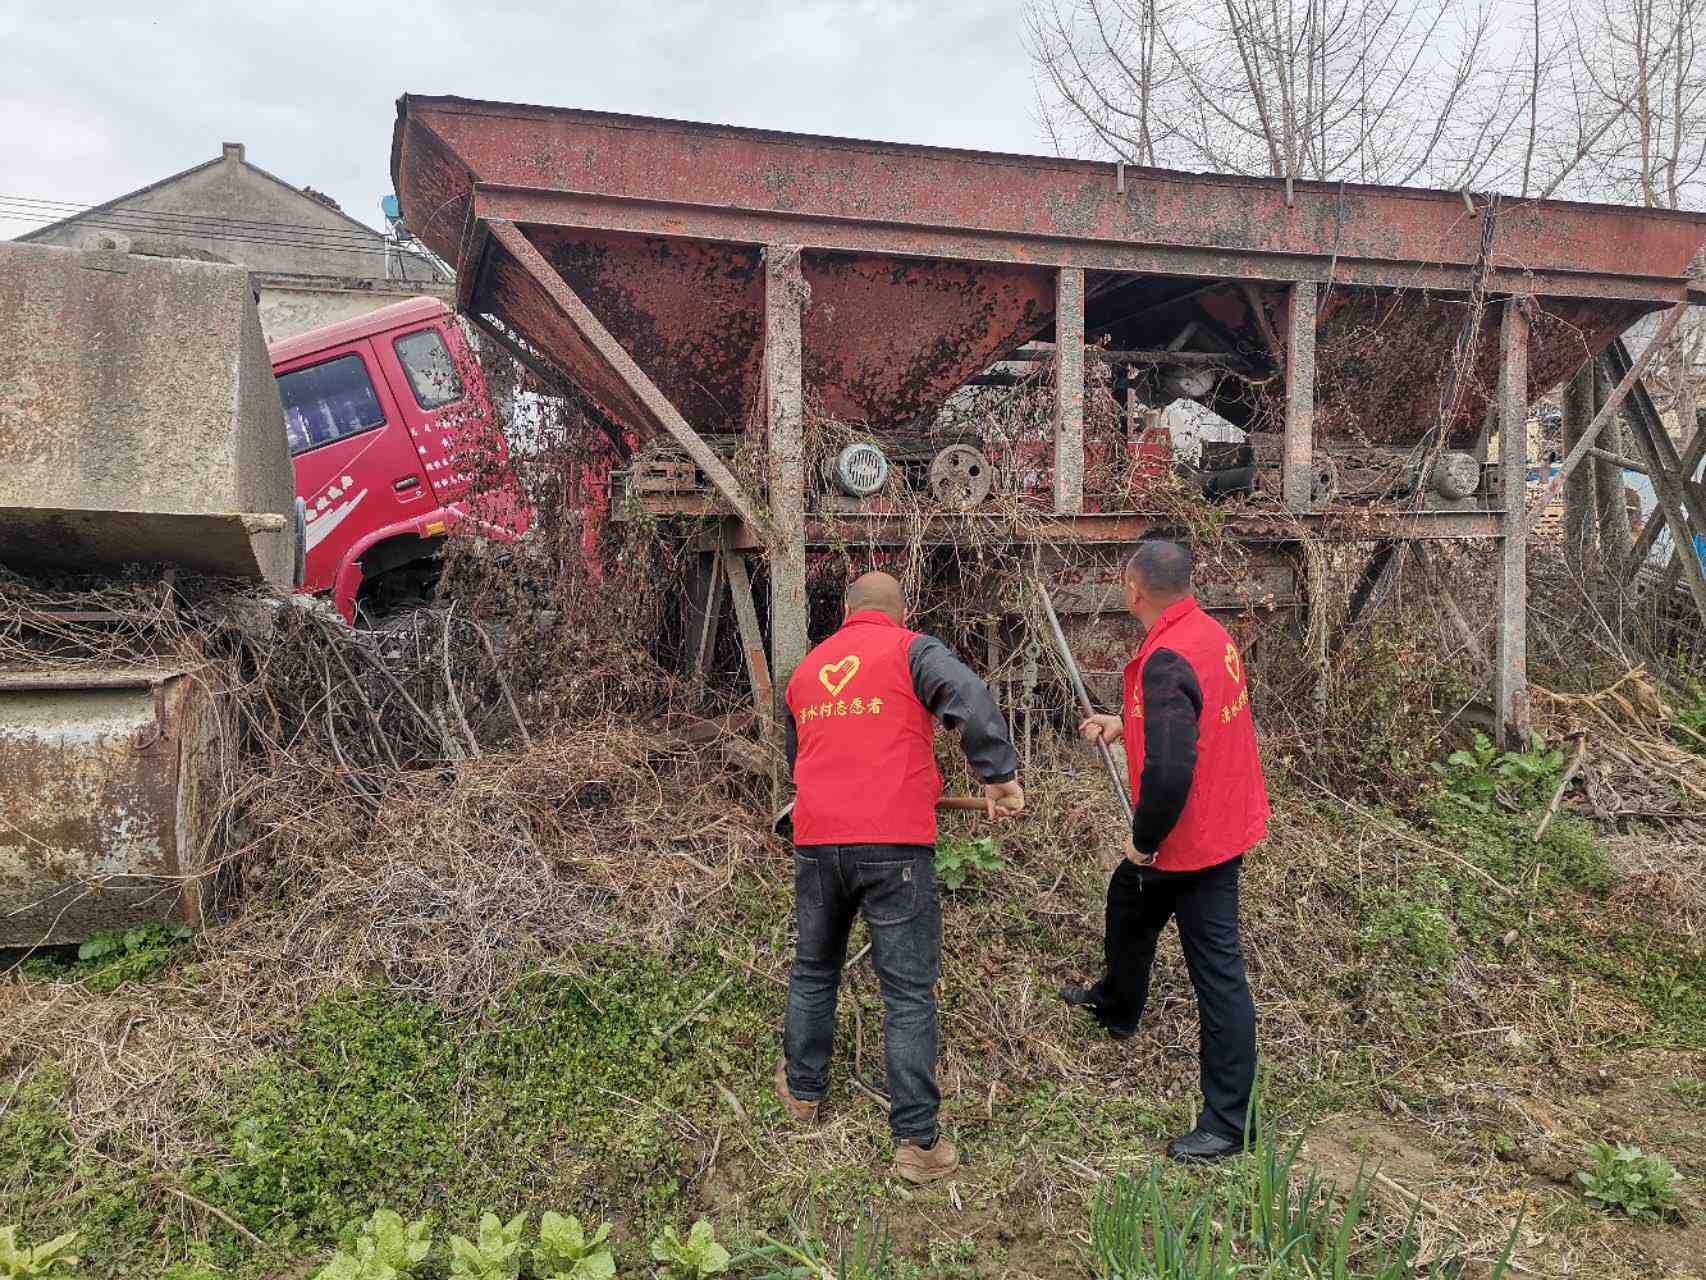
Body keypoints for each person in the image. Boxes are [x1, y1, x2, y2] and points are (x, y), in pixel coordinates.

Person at [777, 570, 1023, 1183]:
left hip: (817, 842)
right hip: (895, 846)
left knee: (814, 969)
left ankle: (803, 1093)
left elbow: (800, 760)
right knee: (908, 994)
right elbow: (968, 696)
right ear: (901, 612)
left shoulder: (807, 672)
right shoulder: (911, 650)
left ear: (846, 612)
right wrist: (998, 775)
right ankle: (917, 1144)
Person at [1062, 540, 1270, 1162]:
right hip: (1223, 815)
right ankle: (1117, 1005)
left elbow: (1171, 771)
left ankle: (1229, 1124)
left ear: (1133, 592)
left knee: (1219, 975)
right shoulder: (1209, 634)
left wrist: (1145, 842)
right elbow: (1187, 721)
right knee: (1127, 899)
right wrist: (1123, 725)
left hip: (1193, 838)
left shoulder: (1167, 658)